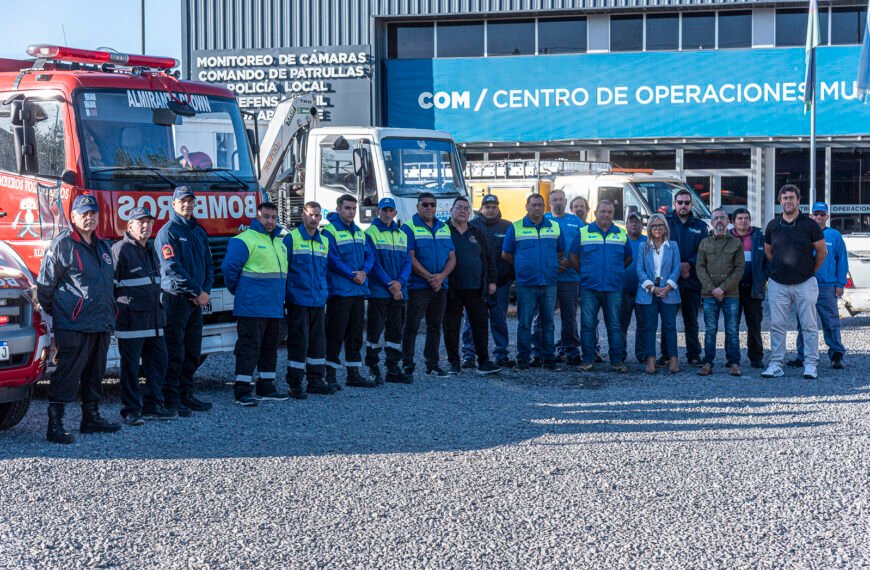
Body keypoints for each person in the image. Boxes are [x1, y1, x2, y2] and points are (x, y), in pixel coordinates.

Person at [37, 193, 120, 444]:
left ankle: (91, 418)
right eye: (84, 213)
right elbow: (45, 287)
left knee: (96, 373)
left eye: (93, 213)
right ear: (73, 216)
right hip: (73, 324)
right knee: (67, 374)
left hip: (100, 322)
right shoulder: (63, 244)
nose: (89, 217)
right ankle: (55, 424)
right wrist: (65, 312)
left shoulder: (104, 246)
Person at [113, 207, 176, 425]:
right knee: (130, 369)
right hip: (131, 322)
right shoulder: (120, 251)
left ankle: (153, 405)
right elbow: (110, 287)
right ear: (129, 225)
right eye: (141, 222)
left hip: (155, 321)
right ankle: (131, 410)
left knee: (158, 363)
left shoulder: (150, 249)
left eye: (149, 222)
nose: (146, 226)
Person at [222, 202, 289, 406]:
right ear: (257, 217)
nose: (270, 221)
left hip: (274, 306)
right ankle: (242, 391)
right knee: (249, 348)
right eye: (266, 216)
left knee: (270, 347)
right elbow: (229, 270)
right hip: (252, 306)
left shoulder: (279, 242)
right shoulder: (244, 240)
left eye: (273, 217)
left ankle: (266, 386)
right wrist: (243, 293)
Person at [155, 186, 214, 415]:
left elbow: (209, 264)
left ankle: (186, 394)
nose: (187, 205)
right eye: (183, 201)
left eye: (190, 201)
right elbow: (171, 269)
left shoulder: (198, 231)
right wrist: (196, 292)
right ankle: (171, 399)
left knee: (192, 350)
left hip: (196, 301)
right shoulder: (168, 232)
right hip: (176, 300)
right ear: (173, 204)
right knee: (174, 351)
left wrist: (205, 290)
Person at [762, 185, 827, 379]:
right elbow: (768, 251)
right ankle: (775, 364)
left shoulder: (810, 225)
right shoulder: (773, 225)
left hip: (805, 283)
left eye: (791, 197)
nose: (788, 201)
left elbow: (822, 252)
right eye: (784, 198)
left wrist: (810, 271)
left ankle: (810, 364)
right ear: (780, 201)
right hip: (778, 284)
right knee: (777, 325)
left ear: (798, 200)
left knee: (809, 325)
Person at [503, 194, 566, 371]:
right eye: (533, 205)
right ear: (526, 206)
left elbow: (560, 251)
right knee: (524, 323)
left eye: (540, 205)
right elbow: (506, 254)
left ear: (544, 207)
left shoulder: (554, 227)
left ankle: (548, 358)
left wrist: (549, 264)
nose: (537, 208)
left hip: (549, 282)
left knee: (548, 322)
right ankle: (523, 358)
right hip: (526, 284)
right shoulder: (516, 228)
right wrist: (522, 266)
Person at [569, 200, 633, 372]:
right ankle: (587, 360)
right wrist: (584, 273)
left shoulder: (620, 234)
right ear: (596, 213)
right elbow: (572, 256)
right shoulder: (583, 232)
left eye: (610, 212)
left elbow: (628, 258)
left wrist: (616, 272)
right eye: (603, 211)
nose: (606, 215)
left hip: (613, 288)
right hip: (590, 287)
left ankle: (616, 361)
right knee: (588, 324)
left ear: (613, 214)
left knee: (614, 325)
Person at [323, 194, 376, 389]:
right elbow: (332, 259)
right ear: (338, 209)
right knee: (335, 334)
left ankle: (353, 374)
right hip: (340, 292)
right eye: (347, 208)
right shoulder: (329, 231)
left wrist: (364, 272)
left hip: (357, 290)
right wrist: (353, 275)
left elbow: (370, 255)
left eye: (354, 208)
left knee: (355, 334)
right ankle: (330, 375)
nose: (351, 212)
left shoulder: (360, 232)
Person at [443, 197, 501, 375]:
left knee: (480, 325)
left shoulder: (477, 232)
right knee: (451, 326)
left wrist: (491, 281)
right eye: (458, 207)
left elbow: (489, 258)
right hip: (452, 288)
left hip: (476, 288)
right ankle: (454, 363)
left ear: (470, 212)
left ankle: (483, 362)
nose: (462, 211)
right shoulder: (443, 230)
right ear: (451, 210)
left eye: (465, 208)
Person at [402, 192, 456, 378]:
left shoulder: (443, 228)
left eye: (432, 205)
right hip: (418, 286)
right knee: (412, 326)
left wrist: (441, 277)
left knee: (435, 326)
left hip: (440, 285)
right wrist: (429, 277)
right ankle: (407, 364)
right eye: (425, 204)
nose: (429, 208)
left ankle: (432, 365)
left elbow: (452, 257)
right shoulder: (409, 228)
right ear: (417, 207)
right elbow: (410, 257)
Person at [284, 202, 334, 396]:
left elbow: (325, 271)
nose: (314, 219)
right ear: (303, 216)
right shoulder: (291, 239)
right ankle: (295, 383)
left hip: (318, 300)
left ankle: (315, 380)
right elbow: (284, 269)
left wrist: (325, 293)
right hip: (298, 299)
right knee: (299, 342)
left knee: (318, 342)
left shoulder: (324, 241)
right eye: (311, 215)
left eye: (317, 215)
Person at [790, 202, 849, 370]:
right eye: (815, 214)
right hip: (805, 284)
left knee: (830, 321)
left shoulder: (834, 236)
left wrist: (840, 283)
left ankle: (836, 354)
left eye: (822, 214)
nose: (818, 217)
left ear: (827, 216)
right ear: (810, 215)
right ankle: (802, 355)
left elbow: (842, 260)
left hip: (827, 286)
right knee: (803, 322)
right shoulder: (803, 234)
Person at [461, 194, 515, 369]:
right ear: (481, 208)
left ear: (498, 208)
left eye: (494, 207)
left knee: (499, 320)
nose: (490, 210)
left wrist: (511, 276)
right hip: (477, 285)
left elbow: (513, 253)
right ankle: (469, 355)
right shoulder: (472, 226)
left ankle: (501, 354)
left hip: (501, 282)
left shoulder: (508, 227)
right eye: (487, 207)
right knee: (472, 320)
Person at [364, 197, 413, 384]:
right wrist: (391, 284)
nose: (386, 213)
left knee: (395, 332)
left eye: (390, 210)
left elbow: (407, 262)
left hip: (398, 291)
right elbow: (373, 263)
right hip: (379, 291)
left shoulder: (402, 234)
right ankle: (372, 366)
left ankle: (393, 367)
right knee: (374, 332)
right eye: (383, 210)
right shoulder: (370, 233)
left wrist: (399, 283)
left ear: (395, 213)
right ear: (378, 212)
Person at [536, 189, 583, 365]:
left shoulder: (575, 221)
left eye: (561, 199)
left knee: (569, 317)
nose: (558, 202)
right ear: (549, 202)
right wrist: (555, 264)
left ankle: (570, 351)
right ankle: (541, 351)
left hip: (570, 277)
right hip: (548, 277)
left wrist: (569, 262)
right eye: (554, 199)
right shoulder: (542, 220)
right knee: (542, 316)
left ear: (565, 202)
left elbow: (581, 245)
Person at [696, 208, 745, 377]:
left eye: (722, 218)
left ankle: (734, 363)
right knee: (710, 330)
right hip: (709, 295)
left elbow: (739, 269)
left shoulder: (736, 243)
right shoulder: (704, 243)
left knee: (732, 330)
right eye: (715, 218)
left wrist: (723, 288)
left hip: (730, 294)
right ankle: (708, 362)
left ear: (728, 221)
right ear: (711, 222)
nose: (719, 221)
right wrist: (713, 289)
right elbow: (700, 268)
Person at [635, 214, 681, 375]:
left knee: (669, 326)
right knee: (649, 327)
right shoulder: (643, 246)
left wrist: (667, 288)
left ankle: (673, 359)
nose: (657, 228)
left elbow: (676, 269)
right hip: (648, 292)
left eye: (660, 225)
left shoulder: (673, 246)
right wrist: (652, 288)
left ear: (665, 227)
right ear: (649, 228)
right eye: (654, 226)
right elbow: (639, 270)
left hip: (669, 292)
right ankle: (650, 360)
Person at [666, 189, 707, 366]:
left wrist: (688, 264)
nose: (683, 205)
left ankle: (693, 354)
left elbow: (703, 250)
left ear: (691, 205)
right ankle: (667, 354)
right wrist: (677, 267)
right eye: (680, 202)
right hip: (670, 280)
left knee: (691, 320)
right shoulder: (665, 223)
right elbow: (660, 247)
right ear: (674, 204)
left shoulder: (700, 226)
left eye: (686, 203)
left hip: (692, 279)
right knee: (668, 321)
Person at [730, 208, 768, 368]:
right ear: (733, 221)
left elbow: (768, 260)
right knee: (732, 324)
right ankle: (732, 358)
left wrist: (763, 277)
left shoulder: (759, 237)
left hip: (753, 288)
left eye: (746, 218)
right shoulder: (727, 237)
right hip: (732, 289)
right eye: (740, 218)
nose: (743, 221)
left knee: (754, 324)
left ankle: (756, 357)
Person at [621, 212, 647, 364]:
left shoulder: (647, 241)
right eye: (631, 222)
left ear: (642, 225)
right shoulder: (621, 240)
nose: (634, 224)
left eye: (637, 222)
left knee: (643, 324)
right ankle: (620, 354)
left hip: (642, 290)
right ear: (626, 225)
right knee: (621, 324)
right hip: (623, 289)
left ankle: (642, 354)